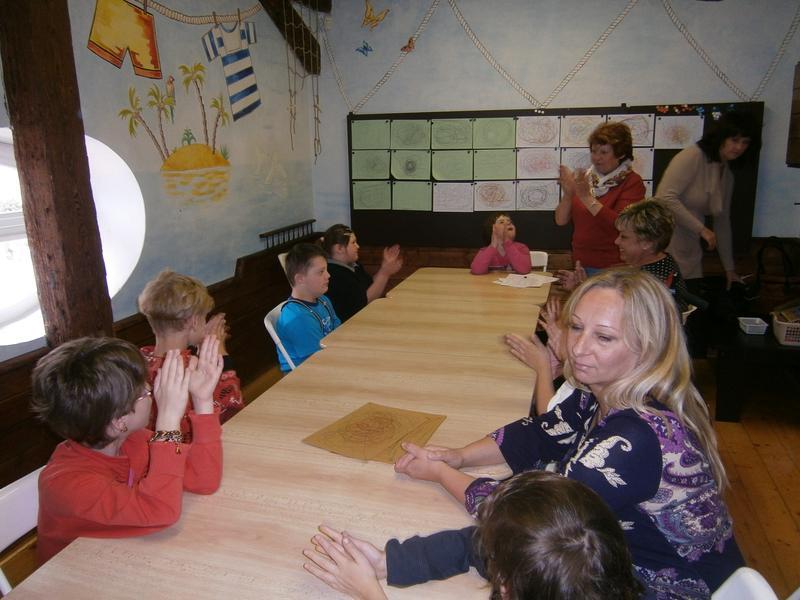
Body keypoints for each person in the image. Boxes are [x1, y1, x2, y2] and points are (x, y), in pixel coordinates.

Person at [395, 269, 744, 598]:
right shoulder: (597, 391)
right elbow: (539, 433)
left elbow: (527, 519)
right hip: (619, 557)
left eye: (603, 337)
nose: (578, 348)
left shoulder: (633, 441)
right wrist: (459, 456)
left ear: (648, 348)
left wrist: (441, 473)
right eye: (576, 327)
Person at [302, 471, 644, 600]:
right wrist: (389, 562)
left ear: (506, 586)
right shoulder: (568, 566)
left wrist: (368, 594)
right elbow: (472, 545)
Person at [31, 336, 223, 564]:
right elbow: (160, 511)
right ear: (119, 421)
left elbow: (203, 479)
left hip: (119, 558)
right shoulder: (66, 485)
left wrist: (202, 401)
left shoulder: (134, 441)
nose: (151, 389)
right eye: (143, 391)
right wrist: (168, 420)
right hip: (75, 574)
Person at [655, 111, 760, 289]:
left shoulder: (727, 174)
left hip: (690, 248)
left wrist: (729, 269)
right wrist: (701, 229)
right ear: (722, 136)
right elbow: (664, 198)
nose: (739, 147)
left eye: (745, 142)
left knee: (690, 297)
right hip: (665, 243)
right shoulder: (693, 156)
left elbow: (722, 221)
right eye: (734, 140)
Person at [138, 269, 242, 440]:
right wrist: (219, 352)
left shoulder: (135, 362)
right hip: (191, 450)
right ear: (194, 321)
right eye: (204, 317)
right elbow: (232, 412)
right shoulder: (191, 373)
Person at [557, 200, 691, 312]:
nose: (617, 241)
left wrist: (581, 290)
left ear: (647, 243)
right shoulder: (663, 263)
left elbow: (608, 321)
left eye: (624, 237)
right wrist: (580, 288)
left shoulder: (648, 284)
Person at [556, 121, 646, 272]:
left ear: (621, 154)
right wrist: (568, 194)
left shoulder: (632, 182)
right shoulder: (585, 178)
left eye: (604, 152)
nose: (596, 158)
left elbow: (621, 223)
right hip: (581, 263)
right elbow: (560, 220)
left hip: (614, 266)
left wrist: (586, 198)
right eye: (593, 151)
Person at [276, 242, 341, 371]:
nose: (328, 275)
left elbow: (340, 332)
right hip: (307, 374)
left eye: (326, 270)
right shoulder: (297, 318)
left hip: (328, 361)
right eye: (321, 272)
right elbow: (318, 361)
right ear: (300, 279)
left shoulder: (323, 300)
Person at [321, 224, 402, 322]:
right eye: (353, 243)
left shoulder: (354, 265)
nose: (358, 246)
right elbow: (364, 303)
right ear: (339, 248)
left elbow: (370, 286)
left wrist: (384, 269)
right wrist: (385, 273)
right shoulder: (335, 274)